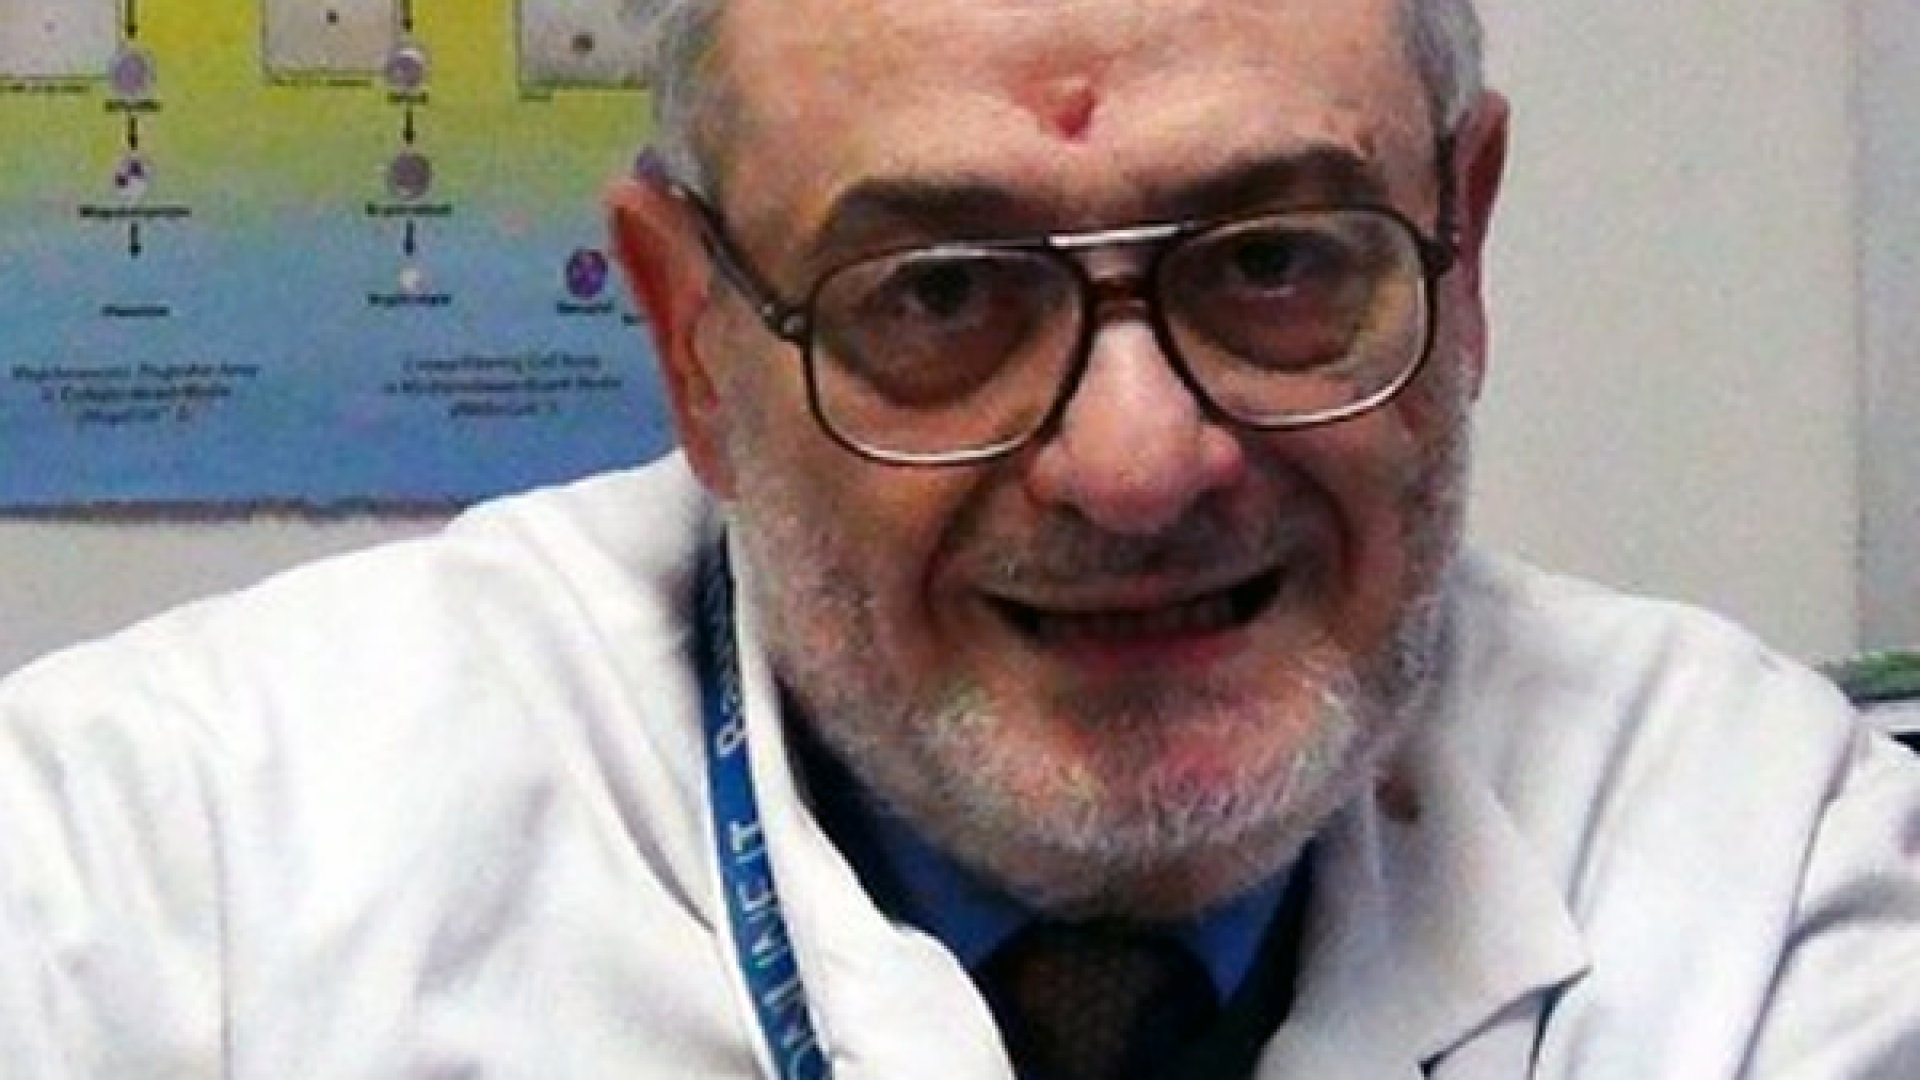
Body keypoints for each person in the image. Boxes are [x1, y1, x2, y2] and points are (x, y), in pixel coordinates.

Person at [1, 0, 1917, 1076]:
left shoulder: (1760, 862)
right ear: (692, 343)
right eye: (936, 295)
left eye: (1271, 262)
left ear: (1462, 252)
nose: (1139, 466)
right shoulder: (162, 870)